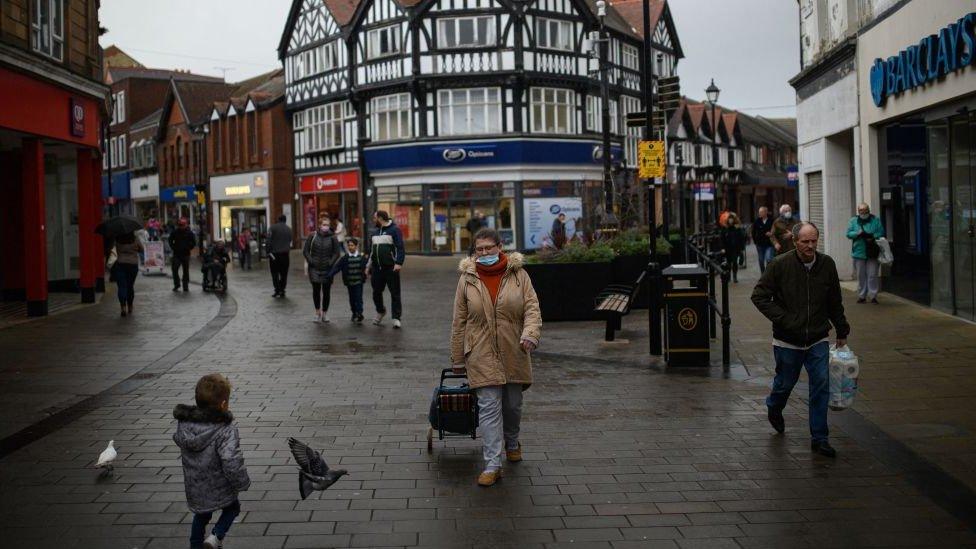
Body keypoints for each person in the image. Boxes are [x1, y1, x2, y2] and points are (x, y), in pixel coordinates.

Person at [451, 228, 542, 486]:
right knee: (489, 409)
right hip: (479, 351)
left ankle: (512, 440)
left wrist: (531, 334)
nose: (484, 253)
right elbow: (459, 321)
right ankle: (492, 464)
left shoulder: (518, 275)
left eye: (489, 248)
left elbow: (532, 308)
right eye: (479, 249)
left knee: (512, 405)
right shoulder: (467, 279)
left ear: (500, 246)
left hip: (514, 348)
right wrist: (457, 358)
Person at [751, 222, 850, 458]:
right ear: (795, 242)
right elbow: (759, 296)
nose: (810, 245)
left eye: (814, 240)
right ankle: (774, 407)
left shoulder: (826, 264)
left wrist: (842, 329)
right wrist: (785, 319)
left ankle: (820, 438)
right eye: (805, 241)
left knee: (821, 385)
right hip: (787, 341)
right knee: (785, 384)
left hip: (817, 338)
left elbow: (834, 300)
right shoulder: (779, 265)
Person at [173, 374, 250, 549]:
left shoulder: (185, 426)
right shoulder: (225, 430)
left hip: (195, 486)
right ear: (223, 405)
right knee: (232, 508)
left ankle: (195, 545)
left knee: (201, 516)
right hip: (220, 485)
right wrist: (241, 482)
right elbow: (231, 459)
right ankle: (215, 538)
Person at [366, 210, 405, 328]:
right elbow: (372, 251)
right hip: (377, 269)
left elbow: (400, 248)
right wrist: (367, 266)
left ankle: (396, 318)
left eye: (374, 218)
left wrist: (398, 263)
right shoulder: (375, 232)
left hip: (391, 268)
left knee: (395, 293)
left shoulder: (394, 230)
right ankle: (381, 311)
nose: (373, 220)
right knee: (376, 292)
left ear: (380, 218)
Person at [303, 216, 341, 322]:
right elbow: (305, 251)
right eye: (324, 224)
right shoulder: (312, 236)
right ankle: (317, 312)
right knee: (316, 290)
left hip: (327, 268)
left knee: (326, 291)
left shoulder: (333, 237)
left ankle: (325, 313)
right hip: (314, 268)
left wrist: (331, 262)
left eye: (328, 225)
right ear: (319, 225)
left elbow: (337, 253)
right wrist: (311, 261)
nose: (326, 227)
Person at [847, 202, 885, 304]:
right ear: (858, 211)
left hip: (872, 251)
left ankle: (873, 296)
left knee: (872, 274)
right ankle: (862, 295)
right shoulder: (853, 221)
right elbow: (848, 233)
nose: (864, 212)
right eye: (861, 211)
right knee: (861, 275)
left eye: (866, 210)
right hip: (859, 252)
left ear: (869, 210)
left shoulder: (875, 220)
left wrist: (872, 236)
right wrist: (857, 233)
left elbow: (881, 232)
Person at [327, 237, 368, 322]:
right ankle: (354, 313)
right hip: (349, 282)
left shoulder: (362, 258)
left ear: (356, 246)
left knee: (359, 298)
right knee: (352, 299)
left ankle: (360, 313)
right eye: (349, 245)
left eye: (352, 245)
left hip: (359, 282)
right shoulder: (345, 258)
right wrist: (329, 275)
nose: (350, 247)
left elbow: (369, 267)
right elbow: (337, 267)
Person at [112, 232, 143, 317]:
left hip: (121, 264)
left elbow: (113, 249)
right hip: (133, 265)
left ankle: (123, 307)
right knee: (130, 286)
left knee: (122, 286)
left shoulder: (117, 238)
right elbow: (142, 249)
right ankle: (130, 306)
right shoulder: (135, 238)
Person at [267, 215, 293, 298]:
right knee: (284, 274)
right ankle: (282, 289)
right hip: (285, 255)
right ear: (285, 220)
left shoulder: (272, 228)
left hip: (274, 255)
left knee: (274, 273)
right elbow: (290, 240)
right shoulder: (289, 229)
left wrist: (268, 251)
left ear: (278, 219)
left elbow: (268, 240)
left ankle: (277, 289)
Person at [168, 217, 196, 292]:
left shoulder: (189, 233)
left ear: (186, 225)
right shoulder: (175, 232)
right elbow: (170, 240)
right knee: (174, 269)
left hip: (186, 254)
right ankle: (177, 284)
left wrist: (188, 247)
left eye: (183, 225)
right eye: (180, 225)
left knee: (185, 271)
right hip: (177, 254)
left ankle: (185, 286)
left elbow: (194, 242)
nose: (181, 226)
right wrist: (173, 247)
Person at [720, 213, 745, 283]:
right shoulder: (725, 228)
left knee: (734, 262)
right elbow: (722, 239)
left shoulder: (737, 228)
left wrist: (741, 248)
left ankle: (734, 276)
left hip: (735, 248)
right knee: (728, 263)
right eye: (729, 219)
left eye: (732, 219)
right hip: (727, 249)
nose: (730, 220)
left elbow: (741, 238)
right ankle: (729, 276)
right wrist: (722, 248)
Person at [752, 206, 775, 273]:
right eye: (759, 212)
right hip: (760, 244)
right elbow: (753, 232)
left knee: (769, 259)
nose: (760, 213)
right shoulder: (757, 221)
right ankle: (763, 273)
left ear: (766, 212)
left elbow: (775, 230)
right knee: (761, 260)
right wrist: (755, 241)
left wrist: (771, 233)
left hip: (769, 243)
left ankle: (767, 273)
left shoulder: (771, 220)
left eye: (761, 212)